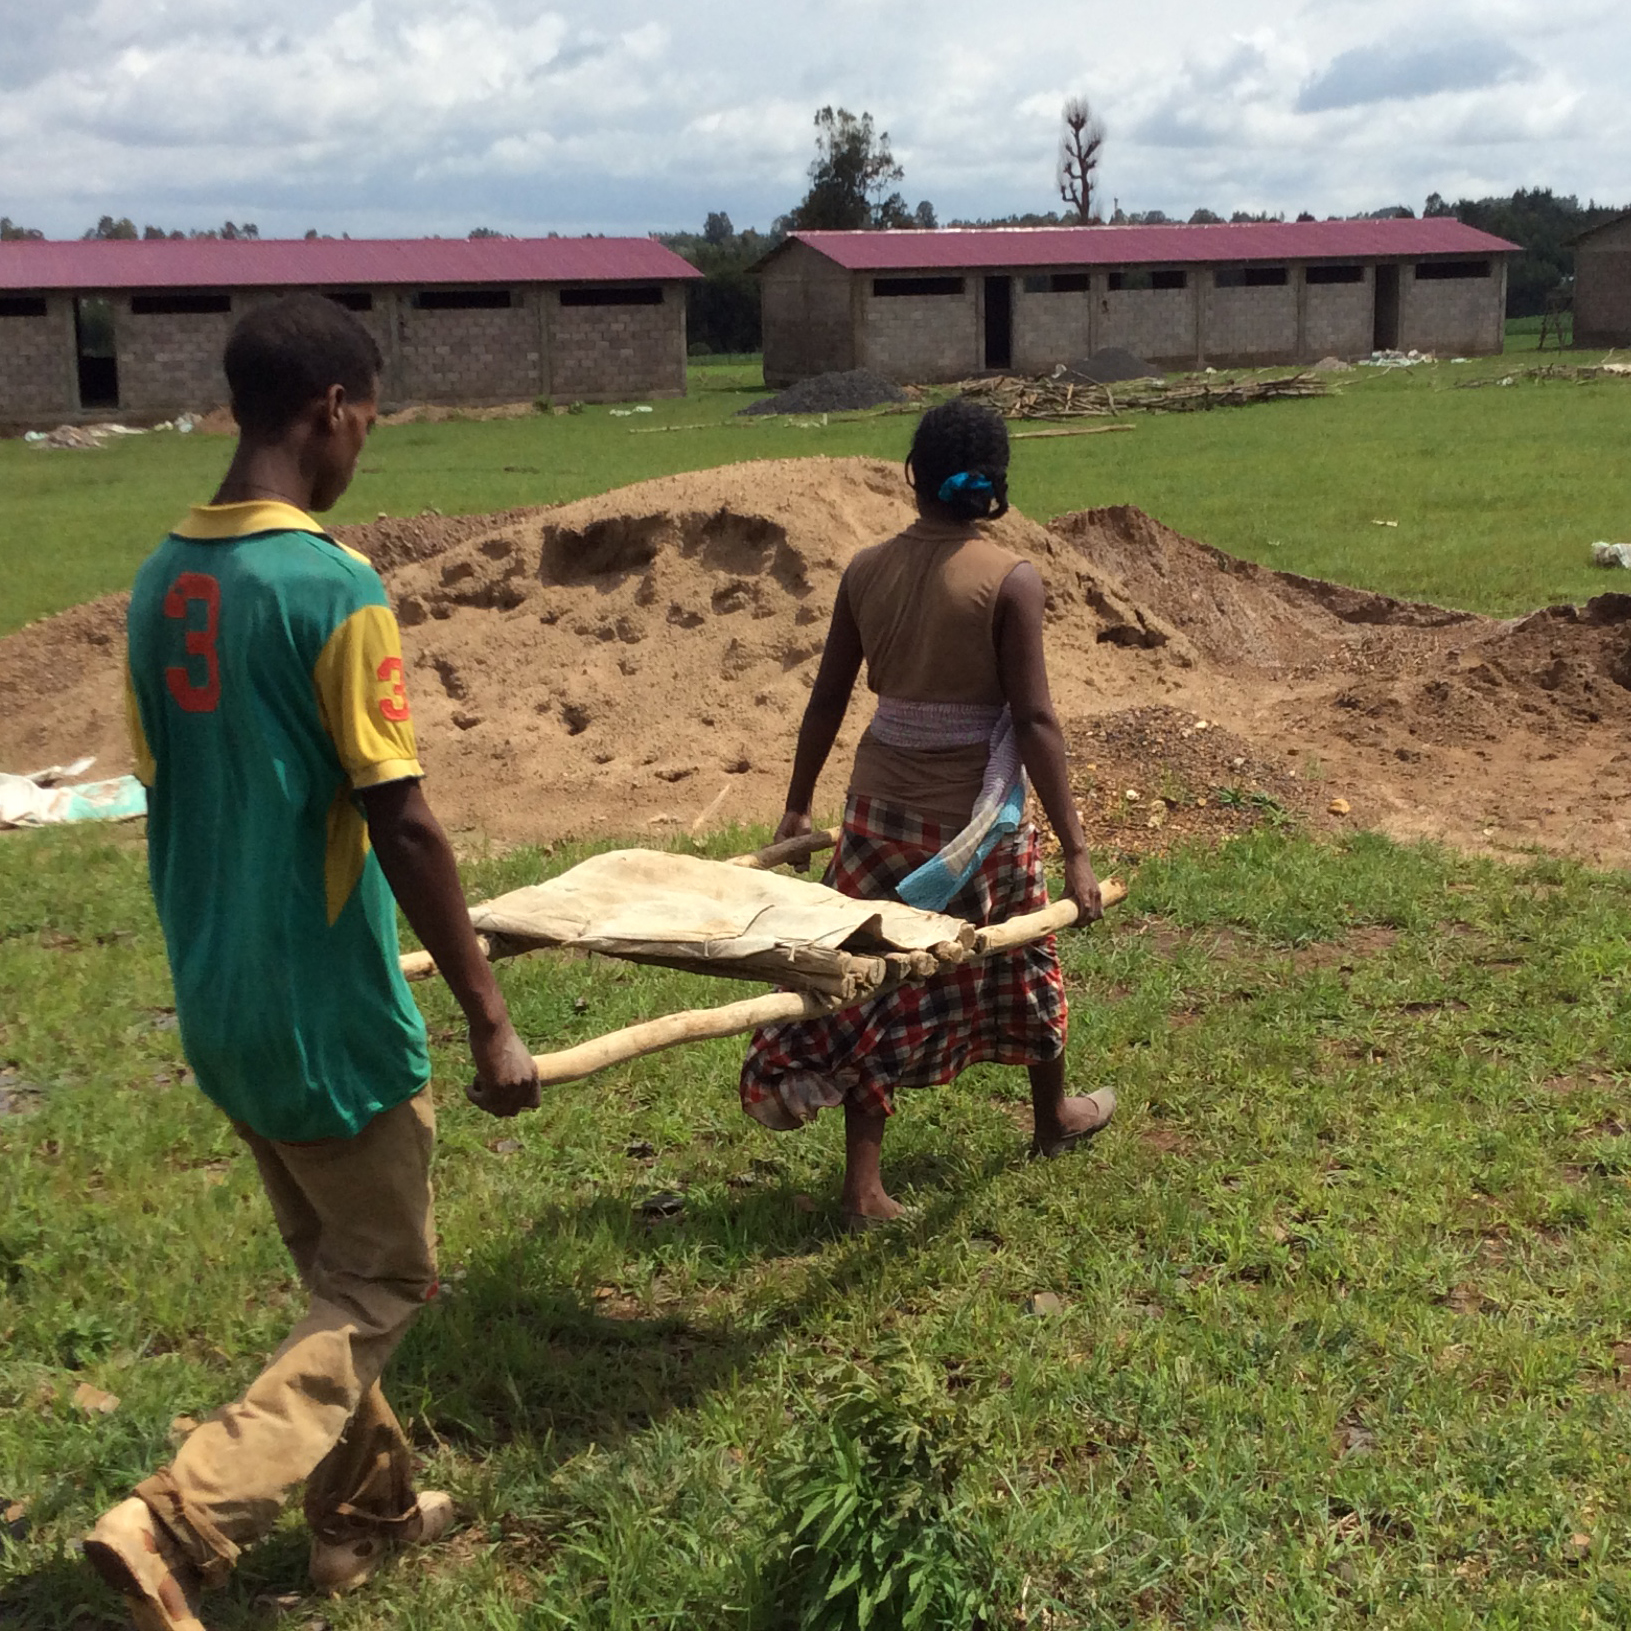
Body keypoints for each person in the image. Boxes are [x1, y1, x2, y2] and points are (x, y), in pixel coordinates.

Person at [84, 294, 539, 1631]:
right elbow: (401, 813)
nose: (363, 450)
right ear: (332, 408)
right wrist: (490, 1015)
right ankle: (177, 1519)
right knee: (383, 1282)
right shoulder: (334, 589)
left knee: (336, 1281)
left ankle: (367, 1517)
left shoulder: (162, 579)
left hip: (220, 1001)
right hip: (328, 1015)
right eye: (369, 422)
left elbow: (169, 783)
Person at [739, 399, 1113, 1227]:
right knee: (1023, 960)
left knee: (870, 979)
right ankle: (1050, 1117)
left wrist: (797, 805)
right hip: (974, 825)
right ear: (995, 486)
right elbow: (1034, 721)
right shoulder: (1011, 579)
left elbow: (827, 698)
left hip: (877, 810)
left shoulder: (864, 570)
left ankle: (864, 1182)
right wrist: (1077, 850)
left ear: (913, 477)